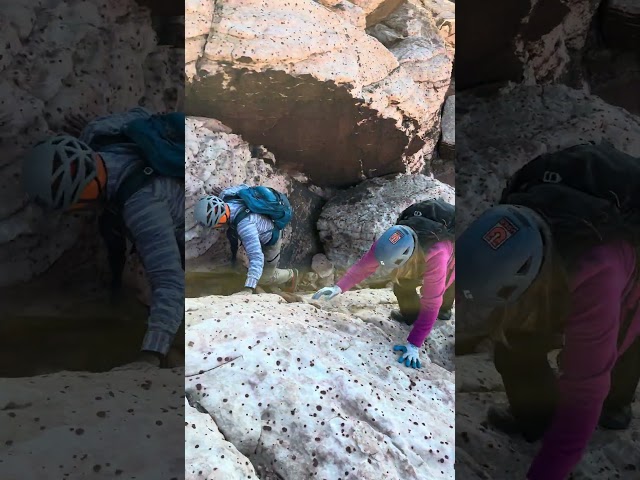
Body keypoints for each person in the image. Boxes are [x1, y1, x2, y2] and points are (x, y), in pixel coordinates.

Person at [456, 142, 640, 480]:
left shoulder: (600, 274)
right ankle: (539, 420)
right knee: (514, 348)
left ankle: (616, 404)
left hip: (628, 267)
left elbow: (584, 390)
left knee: (617, 353)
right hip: (557, 262)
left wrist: (548, 473)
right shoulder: (506, 229)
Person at [21, 108, 185, 369]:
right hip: (160, 188)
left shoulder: (143, 208)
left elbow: (169, 282)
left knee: (147, 279)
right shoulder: (97, 131)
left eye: (73, 206)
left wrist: (151, 354)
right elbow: (141, 114)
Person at [313, 199, 455, 370]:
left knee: (445, 289)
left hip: (452, 255)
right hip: (417, 254)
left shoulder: (438, 255)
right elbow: (365, 265)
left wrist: (414, 344)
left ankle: (446, 310)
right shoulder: (392, 240)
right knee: (401, 285)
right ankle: (411, 315)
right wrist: (338, 287)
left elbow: (432, 302)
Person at [194, 185, 298, 294]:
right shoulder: (226, 195)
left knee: (264, 278)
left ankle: (291, 275)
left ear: (219, 221)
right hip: (259, 228)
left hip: (271, 240)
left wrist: (249, 288)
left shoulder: (245, 226)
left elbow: (257, 257)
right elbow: (245, 187)